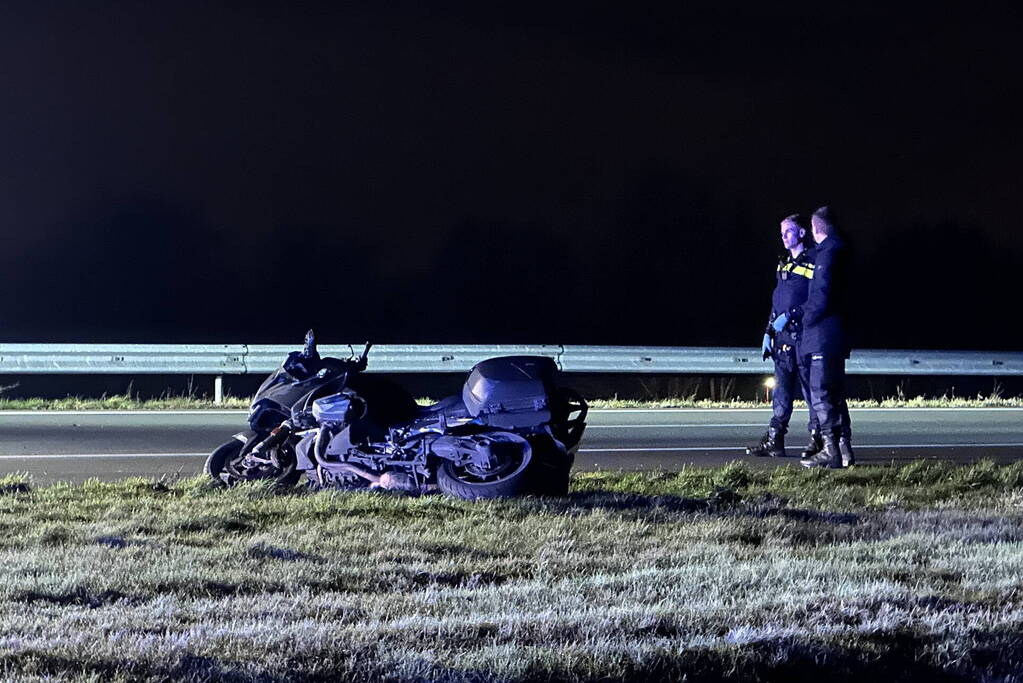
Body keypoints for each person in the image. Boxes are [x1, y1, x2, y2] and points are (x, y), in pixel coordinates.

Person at [777, 205, 853, 468]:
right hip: (835, 334)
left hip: (821, 336)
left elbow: (820, 297)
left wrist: (801, 322)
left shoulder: (826, 254)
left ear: (814, 229)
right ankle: (843, 451)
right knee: (834, 393)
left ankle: (830, 450)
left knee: (821, 394)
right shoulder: (842, 250)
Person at [746, 214, 822, 459]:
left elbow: (815, 300)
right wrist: (769, 331)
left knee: (812, 394)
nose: (783, 236)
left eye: (788, 231)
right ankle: (774, 440)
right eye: (781, 232)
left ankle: (818, 441)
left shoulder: (813, 263)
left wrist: (791, 315)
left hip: (803, 338)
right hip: (783, 340)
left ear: (801, 233)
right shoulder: (784, 263)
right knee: (781, 393)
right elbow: (777, 301)